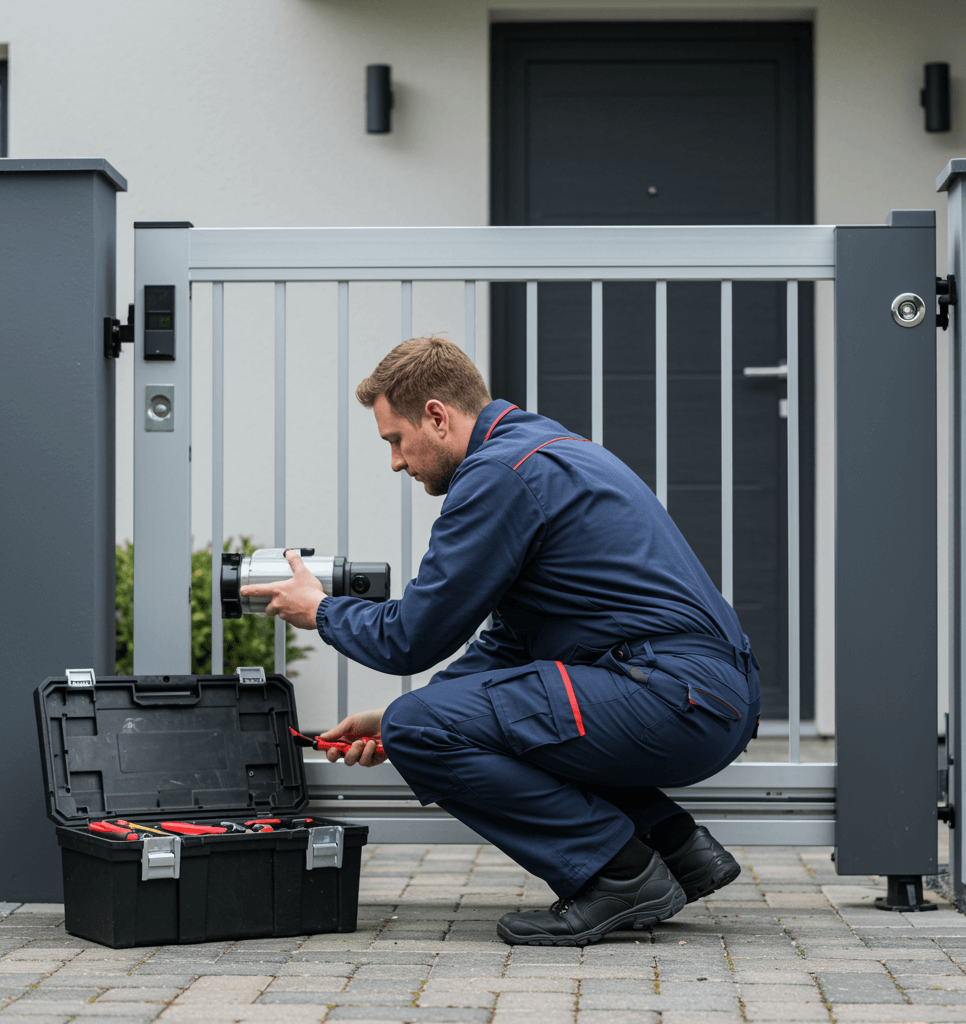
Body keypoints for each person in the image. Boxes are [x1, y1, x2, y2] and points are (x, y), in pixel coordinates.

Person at [241, 335, 760, 947]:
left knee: (423, 724)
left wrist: (322, 610)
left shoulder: (498, 474)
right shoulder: (544, 449)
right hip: (701, 696)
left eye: (395, 440)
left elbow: (410, 637)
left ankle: (619, 875)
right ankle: (674, 846)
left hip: (671, 695)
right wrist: (398, 717)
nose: (396, 463)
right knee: (423, 720)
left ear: (436, 416)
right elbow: (512, 644)